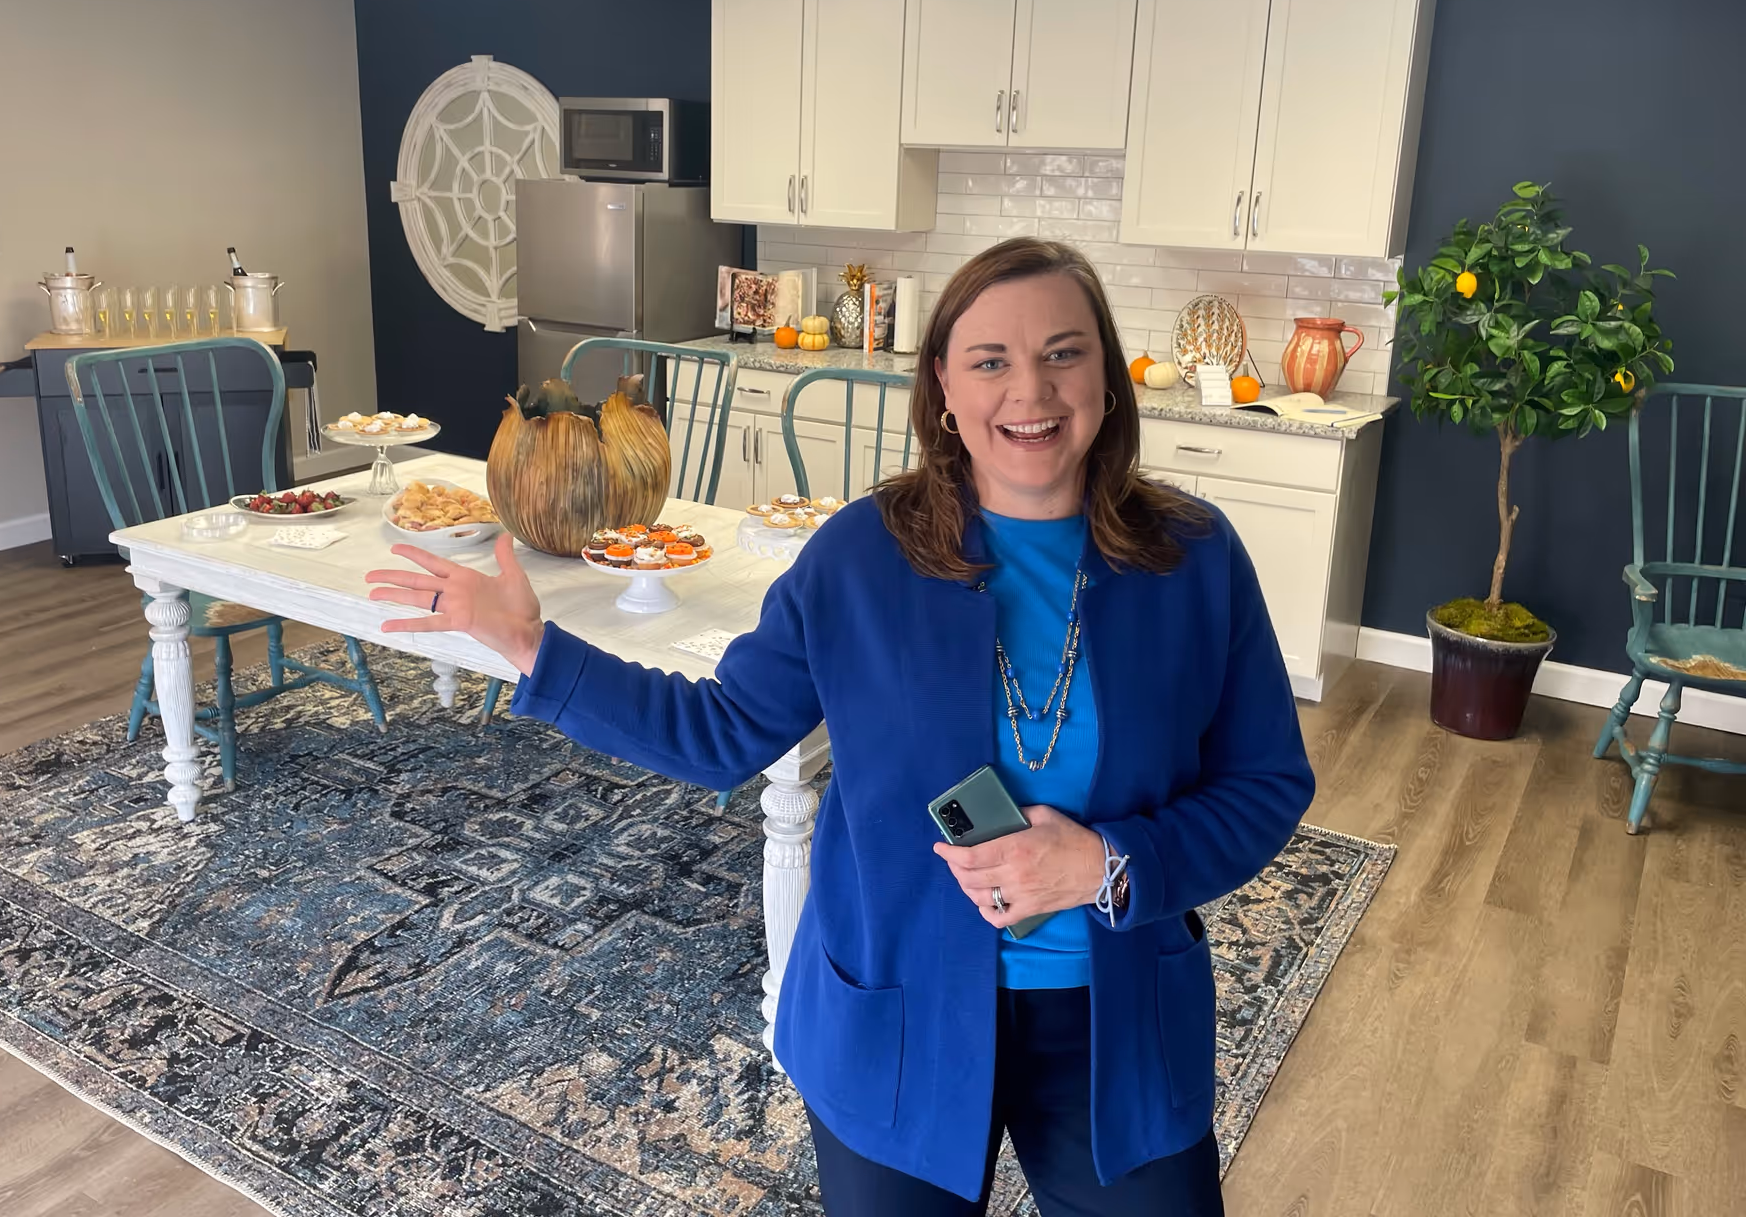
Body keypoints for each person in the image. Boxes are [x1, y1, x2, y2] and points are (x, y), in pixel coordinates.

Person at [365, 237, 1314, 1217]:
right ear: (942, 385)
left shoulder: (1192, 559)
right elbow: (723, 729)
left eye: (1063, 353)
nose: (1028, 391)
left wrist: (1106, 866)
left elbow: (1266, 783)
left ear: (1107, 381)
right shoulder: (863, 555)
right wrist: (533, 649)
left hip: (1119, 1023)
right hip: (898, 1017)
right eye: (990, 360)